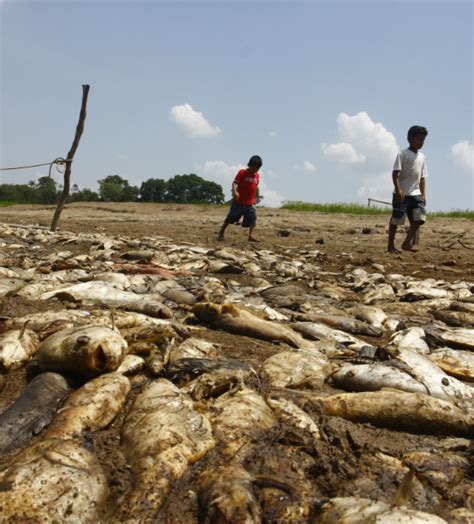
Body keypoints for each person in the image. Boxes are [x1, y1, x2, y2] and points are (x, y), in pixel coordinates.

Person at [387, 126, 428, 253]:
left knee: (419, 219)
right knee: (397, 218)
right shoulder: (402, 154)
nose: (420, 142)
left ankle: (406, 243)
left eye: (423, 140)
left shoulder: (422, 157)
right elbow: (395, 174)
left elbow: (422, 178)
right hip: (402, 193)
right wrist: (398, 189)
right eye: (418, 139)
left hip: (415, 194)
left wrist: (423, 194)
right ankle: (390, 245)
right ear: (409, 139)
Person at [218, 155, 262, 242]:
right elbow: (235, 183)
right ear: (249, 165)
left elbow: (254, 187)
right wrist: (235, 192)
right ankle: (221, 232)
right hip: (238, 202)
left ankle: (251, 235)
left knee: (252, 218)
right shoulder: (242, 172)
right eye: (253, 168)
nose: (255, 170)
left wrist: (254, 198)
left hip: (250, 203)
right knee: (231, 218)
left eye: (257, 168)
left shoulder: (257, 176)